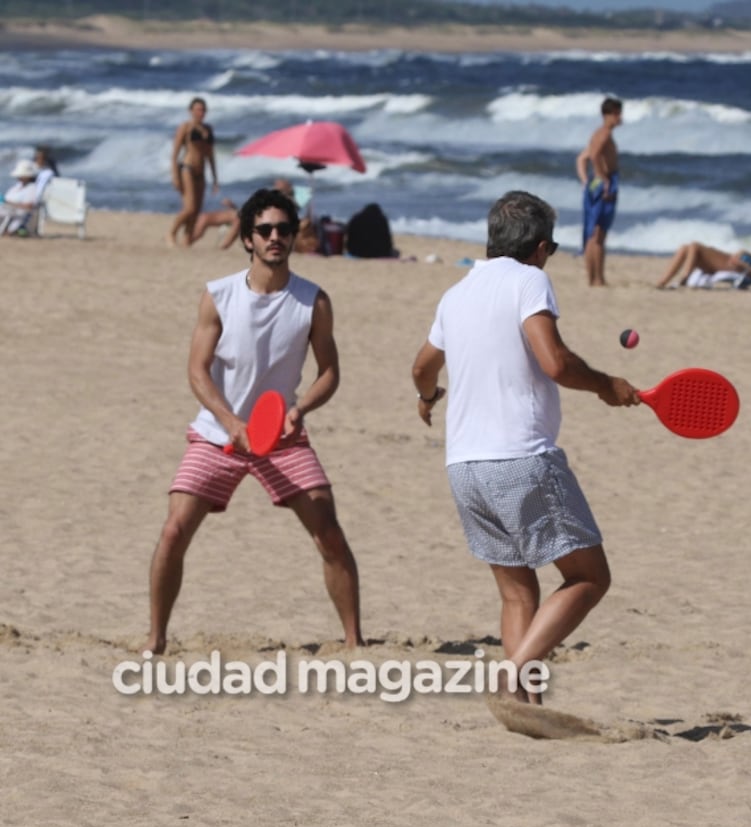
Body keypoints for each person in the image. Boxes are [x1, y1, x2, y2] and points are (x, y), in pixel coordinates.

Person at [411, 190, 640, 704]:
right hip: (520, 459)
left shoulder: (456, 293)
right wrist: (606, 384)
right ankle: (513, 674)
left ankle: (524, 708)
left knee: (518, 592)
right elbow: (554, 361)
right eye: (552, 248)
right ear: (539, 247)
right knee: (588, 577)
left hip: (464, 466)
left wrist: (428, 398)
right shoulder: (529, 280)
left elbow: (422, 367)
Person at [145, 187, 364, 654]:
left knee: (327, 527)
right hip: (218, 434)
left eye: (284, 229)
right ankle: (155, 638)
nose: (275, 237)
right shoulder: (218, 296)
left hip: (282, 436)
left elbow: (330, 373)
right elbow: (197, 371)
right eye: (264, 229)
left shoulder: (312, 301)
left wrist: (300, 409)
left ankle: (354, 640)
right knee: (173, 531)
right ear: (247, 238)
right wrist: (229, 421)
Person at [576, 96, 623, 286]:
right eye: (618, 114)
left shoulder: (599, 134)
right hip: (604, 182)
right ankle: (597, 279)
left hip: (595, 182)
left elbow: (581, 158)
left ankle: (595, 278)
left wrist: (586, 179)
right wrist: (603, 177)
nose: (620, 118)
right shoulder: (603, 134)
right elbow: (594, 155)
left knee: (593, 233)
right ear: (610, 115)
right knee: (598, 234)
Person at [167, 97, 219, 247]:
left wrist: (215, 178)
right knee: (189, 208)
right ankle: (171, 233)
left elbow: (210, 155)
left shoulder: (208, 129)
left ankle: (187, 240)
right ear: (191, 111)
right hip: (187, 168)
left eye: (203, 110)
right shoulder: (185, 127)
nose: (200, 112)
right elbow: (175, 154)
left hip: (201, 171)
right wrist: (175, 176)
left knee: (196, 210)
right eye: (197, 109)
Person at [655, 241, 751, 290]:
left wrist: (744, 264)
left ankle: (685, 276)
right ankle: (662, 282)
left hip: (729, 265)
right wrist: (743, 254)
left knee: (695, 246)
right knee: (685, 248)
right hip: (728, 261)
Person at [0, 158, 39, 236]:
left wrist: (8, 203)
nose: (19, 177)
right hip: (8, 210)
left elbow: (29, 206)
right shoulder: (17, 187)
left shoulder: (32, 188)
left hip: (17, 213)